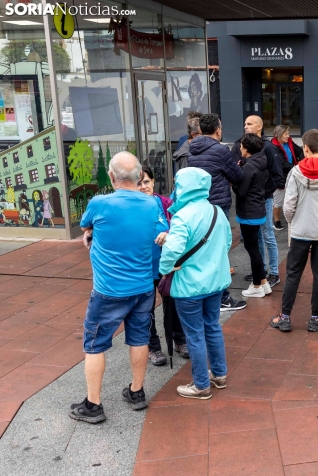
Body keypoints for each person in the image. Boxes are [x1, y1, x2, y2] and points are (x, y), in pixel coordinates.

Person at [70, 152, 161, 423]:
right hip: (144, 286)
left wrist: (90, 234)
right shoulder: (151, 204)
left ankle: (93, 405)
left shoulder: (100, 203)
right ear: (137, 178)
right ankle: (137, 392)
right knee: (140, 339)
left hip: (109, 290)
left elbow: (86, 225)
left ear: (111, 176)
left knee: (94, 345)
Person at [160, 167, 232, 400]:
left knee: (194, 334)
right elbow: (228, 241)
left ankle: (201, 385)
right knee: (212, 326)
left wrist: (166, 268)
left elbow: (172, 249)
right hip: (215, 282)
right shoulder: (217, 211)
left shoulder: (182, 215)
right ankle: (219, 374)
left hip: (189, 287)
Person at [270, 129, 318, 333]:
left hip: (300, 231)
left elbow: (288, 204)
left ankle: (284, 317)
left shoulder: (295, 172)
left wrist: (293, 222)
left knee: (293, 274)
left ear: (306, 147)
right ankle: (315, 317)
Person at [188, 113, 246, 312]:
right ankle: (223, 298)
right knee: (220, 251)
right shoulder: (220, 150)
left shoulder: (191, 149)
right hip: (218, 205)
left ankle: (207, 294)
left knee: (203, 249)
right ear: (218, 130)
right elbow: (237, 176)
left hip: (198, 205)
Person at [138, 166, 189, 365]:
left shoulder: (165, 203)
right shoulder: (132, 208)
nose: (143, 186)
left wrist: (169, 234)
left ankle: (179, 339)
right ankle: (153, 346)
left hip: (167, 266)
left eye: (146, 181)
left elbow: (181, 227)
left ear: (153, 182)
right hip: (143, 268)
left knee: (173, 304)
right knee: (146, 308)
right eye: (139, 183)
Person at [235, 116, 283, 288]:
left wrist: (264, 192)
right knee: (257, 239)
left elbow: (277, 175)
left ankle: (274, 272)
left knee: (267, 235)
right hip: (253, 200)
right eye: (245, 123)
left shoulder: (268, 147)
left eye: (249, 124)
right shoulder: (242, 145)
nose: (246, 126)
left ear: (259, 126)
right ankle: (260, 271)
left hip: (264, 199)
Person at [234, 133, 272, 298]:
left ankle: (256, 285)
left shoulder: (249, 167)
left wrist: (233, 182)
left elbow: (242, 192)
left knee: (253, 249)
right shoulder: (260, 162)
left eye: (242, 146)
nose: (240, 148)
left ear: (247, 148)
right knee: (255, 247)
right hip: (257, 209)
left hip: (249, 211)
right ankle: (264, 282)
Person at [271, 125, 304, 231]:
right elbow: (282, 164)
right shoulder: (273, 147)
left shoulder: (289, 142)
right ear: (279, 135)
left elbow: (300, 151)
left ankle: (293, 218)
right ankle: (276, 221)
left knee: (294, 197)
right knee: (278, 200)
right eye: (286, 134)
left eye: (288, 134)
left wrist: (302, 161)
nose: (288, 136)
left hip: (292, 173)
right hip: (280, 176)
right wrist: (297, 168)